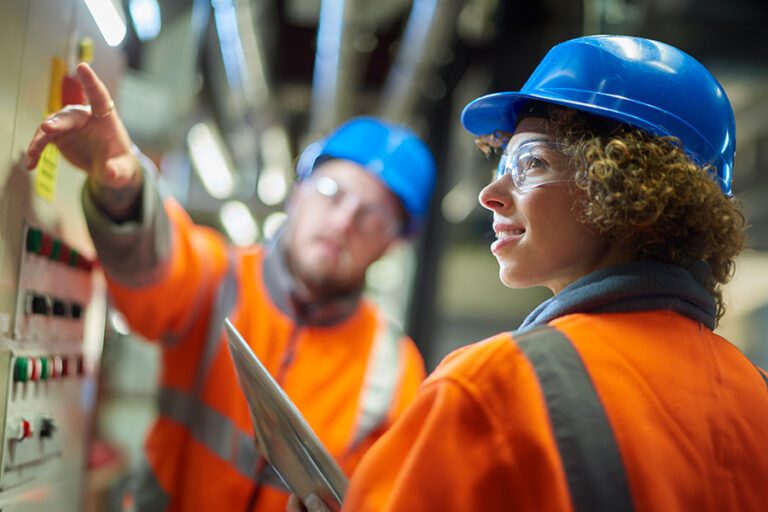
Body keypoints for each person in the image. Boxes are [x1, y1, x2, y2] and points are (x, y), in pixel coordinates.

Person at [292, 35, 768, 511]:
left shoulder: (495, 386)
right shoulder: (758, 395)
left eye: (531, 163)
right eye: (502, 164)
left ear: (628, 186)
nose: (490, 193)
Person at [25, 64, 436, 512]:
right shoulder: (220, 276)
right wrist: (124, 191)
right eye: (332, 192)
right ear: (300, 191)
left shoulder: (395, 371)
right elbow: (158, 267)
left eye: (371, 217)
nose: (342, 224)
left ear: (393, 244)